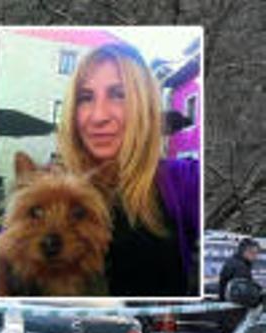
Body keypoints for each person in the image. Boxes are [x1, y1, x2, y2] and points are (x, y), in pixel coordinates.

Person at [56, 43, 200, 297]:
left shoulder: (182, 182)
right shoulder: (46, 192)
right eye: (85, 98)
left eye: (118, 94)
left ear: (143, 106)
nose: (98, 116)